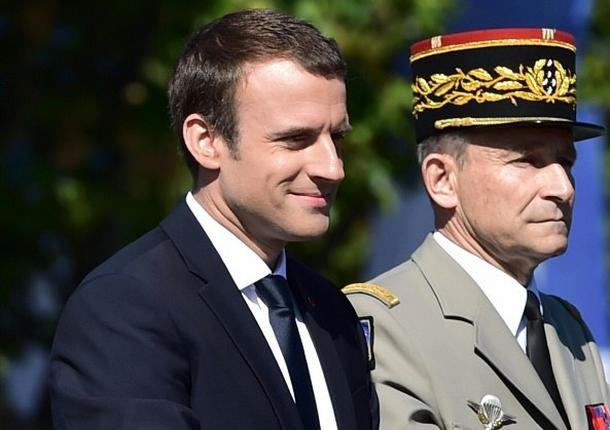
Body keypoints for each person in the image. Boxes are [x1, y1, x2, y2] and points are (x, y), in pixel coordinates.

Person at [50, 9, 377, 430]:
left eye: (337, 137)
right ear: (206, 141)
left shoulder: (331, 312)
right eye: (296, 139)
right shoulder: (124, 308)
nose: (333, 168)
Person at [344, 28, 610, 429]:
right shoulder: (388, 326)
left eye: (565, 162)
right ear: (442, 180)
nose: (562, 188)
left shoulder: (566, 328)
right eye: (526, 160)